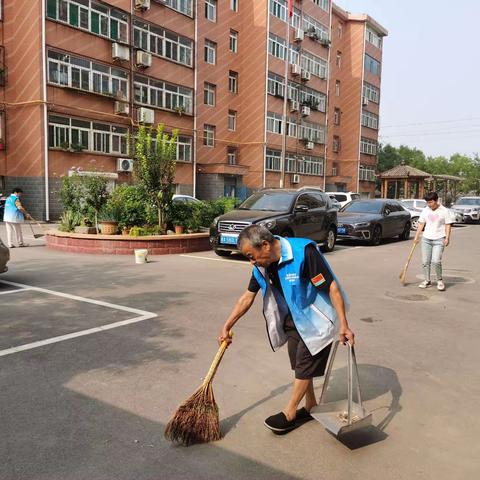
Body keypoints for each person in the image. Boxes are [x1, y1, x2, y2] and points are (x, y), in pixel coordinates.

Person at [218, 225, 354, 434]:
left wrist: (344, 325)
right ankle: (310, 406)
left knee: (304, 365)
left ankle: (289, 411)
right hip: (293, 319)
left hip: (318, 319)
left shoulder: (304, 252)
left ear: (264, 246)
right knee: (298, 363)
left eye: (251, 256)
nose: (251, 262)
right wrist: (227, 324)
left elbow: (331, 287)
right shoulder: (262, 266)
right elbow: (247, 297)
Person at [414, 191, 453, 291]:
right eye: (427, 202)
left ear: (436, 200)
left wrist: (447, 238)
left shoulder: (444, 211)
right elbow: (421, 223)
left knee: (436, 261)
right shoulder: (425, 210)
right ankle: (427, 280)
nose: (429, 204)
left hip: (439, 239)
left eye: (431, 202)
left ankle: (439, 280)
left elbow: (448, 225)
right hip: (426, 239)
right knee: (425, 261)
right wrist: (417, 236)